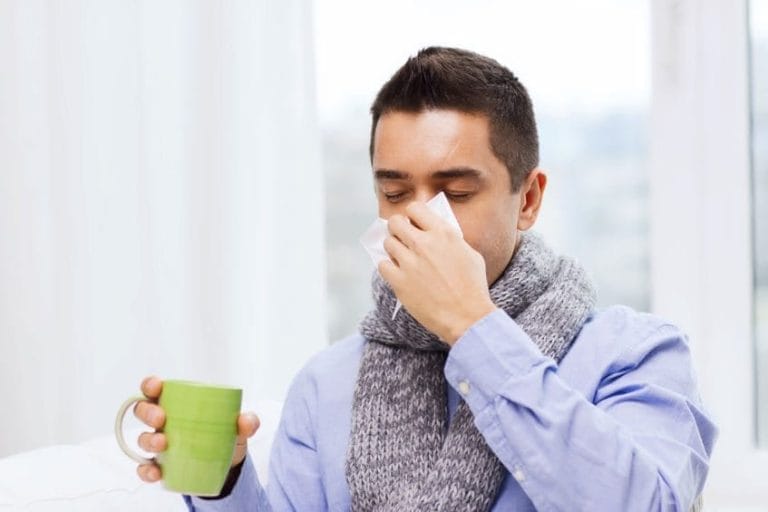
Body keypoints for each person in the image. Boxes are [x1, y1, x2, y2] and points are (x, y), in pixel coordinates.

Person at [132, 47, 717, 511]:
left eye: (456, 193)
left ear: (529, 200)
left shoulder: (636, 354)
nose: (420, 218)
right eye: (394, 193)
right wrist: (224, 484)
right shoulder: (328, 383)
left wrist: (473, 326)